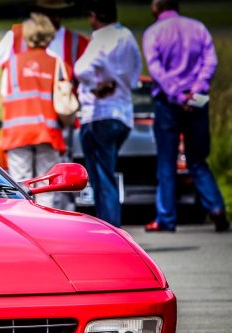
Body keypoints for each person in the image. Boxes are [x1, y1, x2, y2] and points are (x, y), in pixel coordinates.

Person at [142, 0, 228, 232]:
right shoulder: (198, 27)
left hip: (169, 102)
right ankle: (216, 208)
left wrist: (177, 94)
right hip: (197, 101)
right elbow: (210, 61)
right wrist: (196, 90)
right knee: (198, 159)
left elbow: (156, 69)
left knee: (167, 162)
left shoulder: (153, 33)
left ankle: (166, 218)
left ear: (156, 6)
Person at [74, 0, 141, 227]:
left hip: (99, 114)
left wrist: (96, 85)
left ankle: (110, 228)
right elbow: (134, 76)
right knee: (107, 173)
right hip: (123, 114)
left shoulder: (101, 37)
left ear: (94, 16)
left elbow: (81, 69)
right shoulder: (128, 36)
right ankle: (111, 224)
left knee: (103, 179)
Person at [0, 14, 68, 208]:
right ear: (50, 36)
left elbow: (4, 95)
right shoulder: (57, 63)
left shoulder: (11, 64)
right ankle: (48, 231)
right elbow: (65, 98)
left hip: (17, 133)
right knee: (46, 186)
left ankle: (26, 229)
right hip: (48, 133)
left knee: (20, 185)